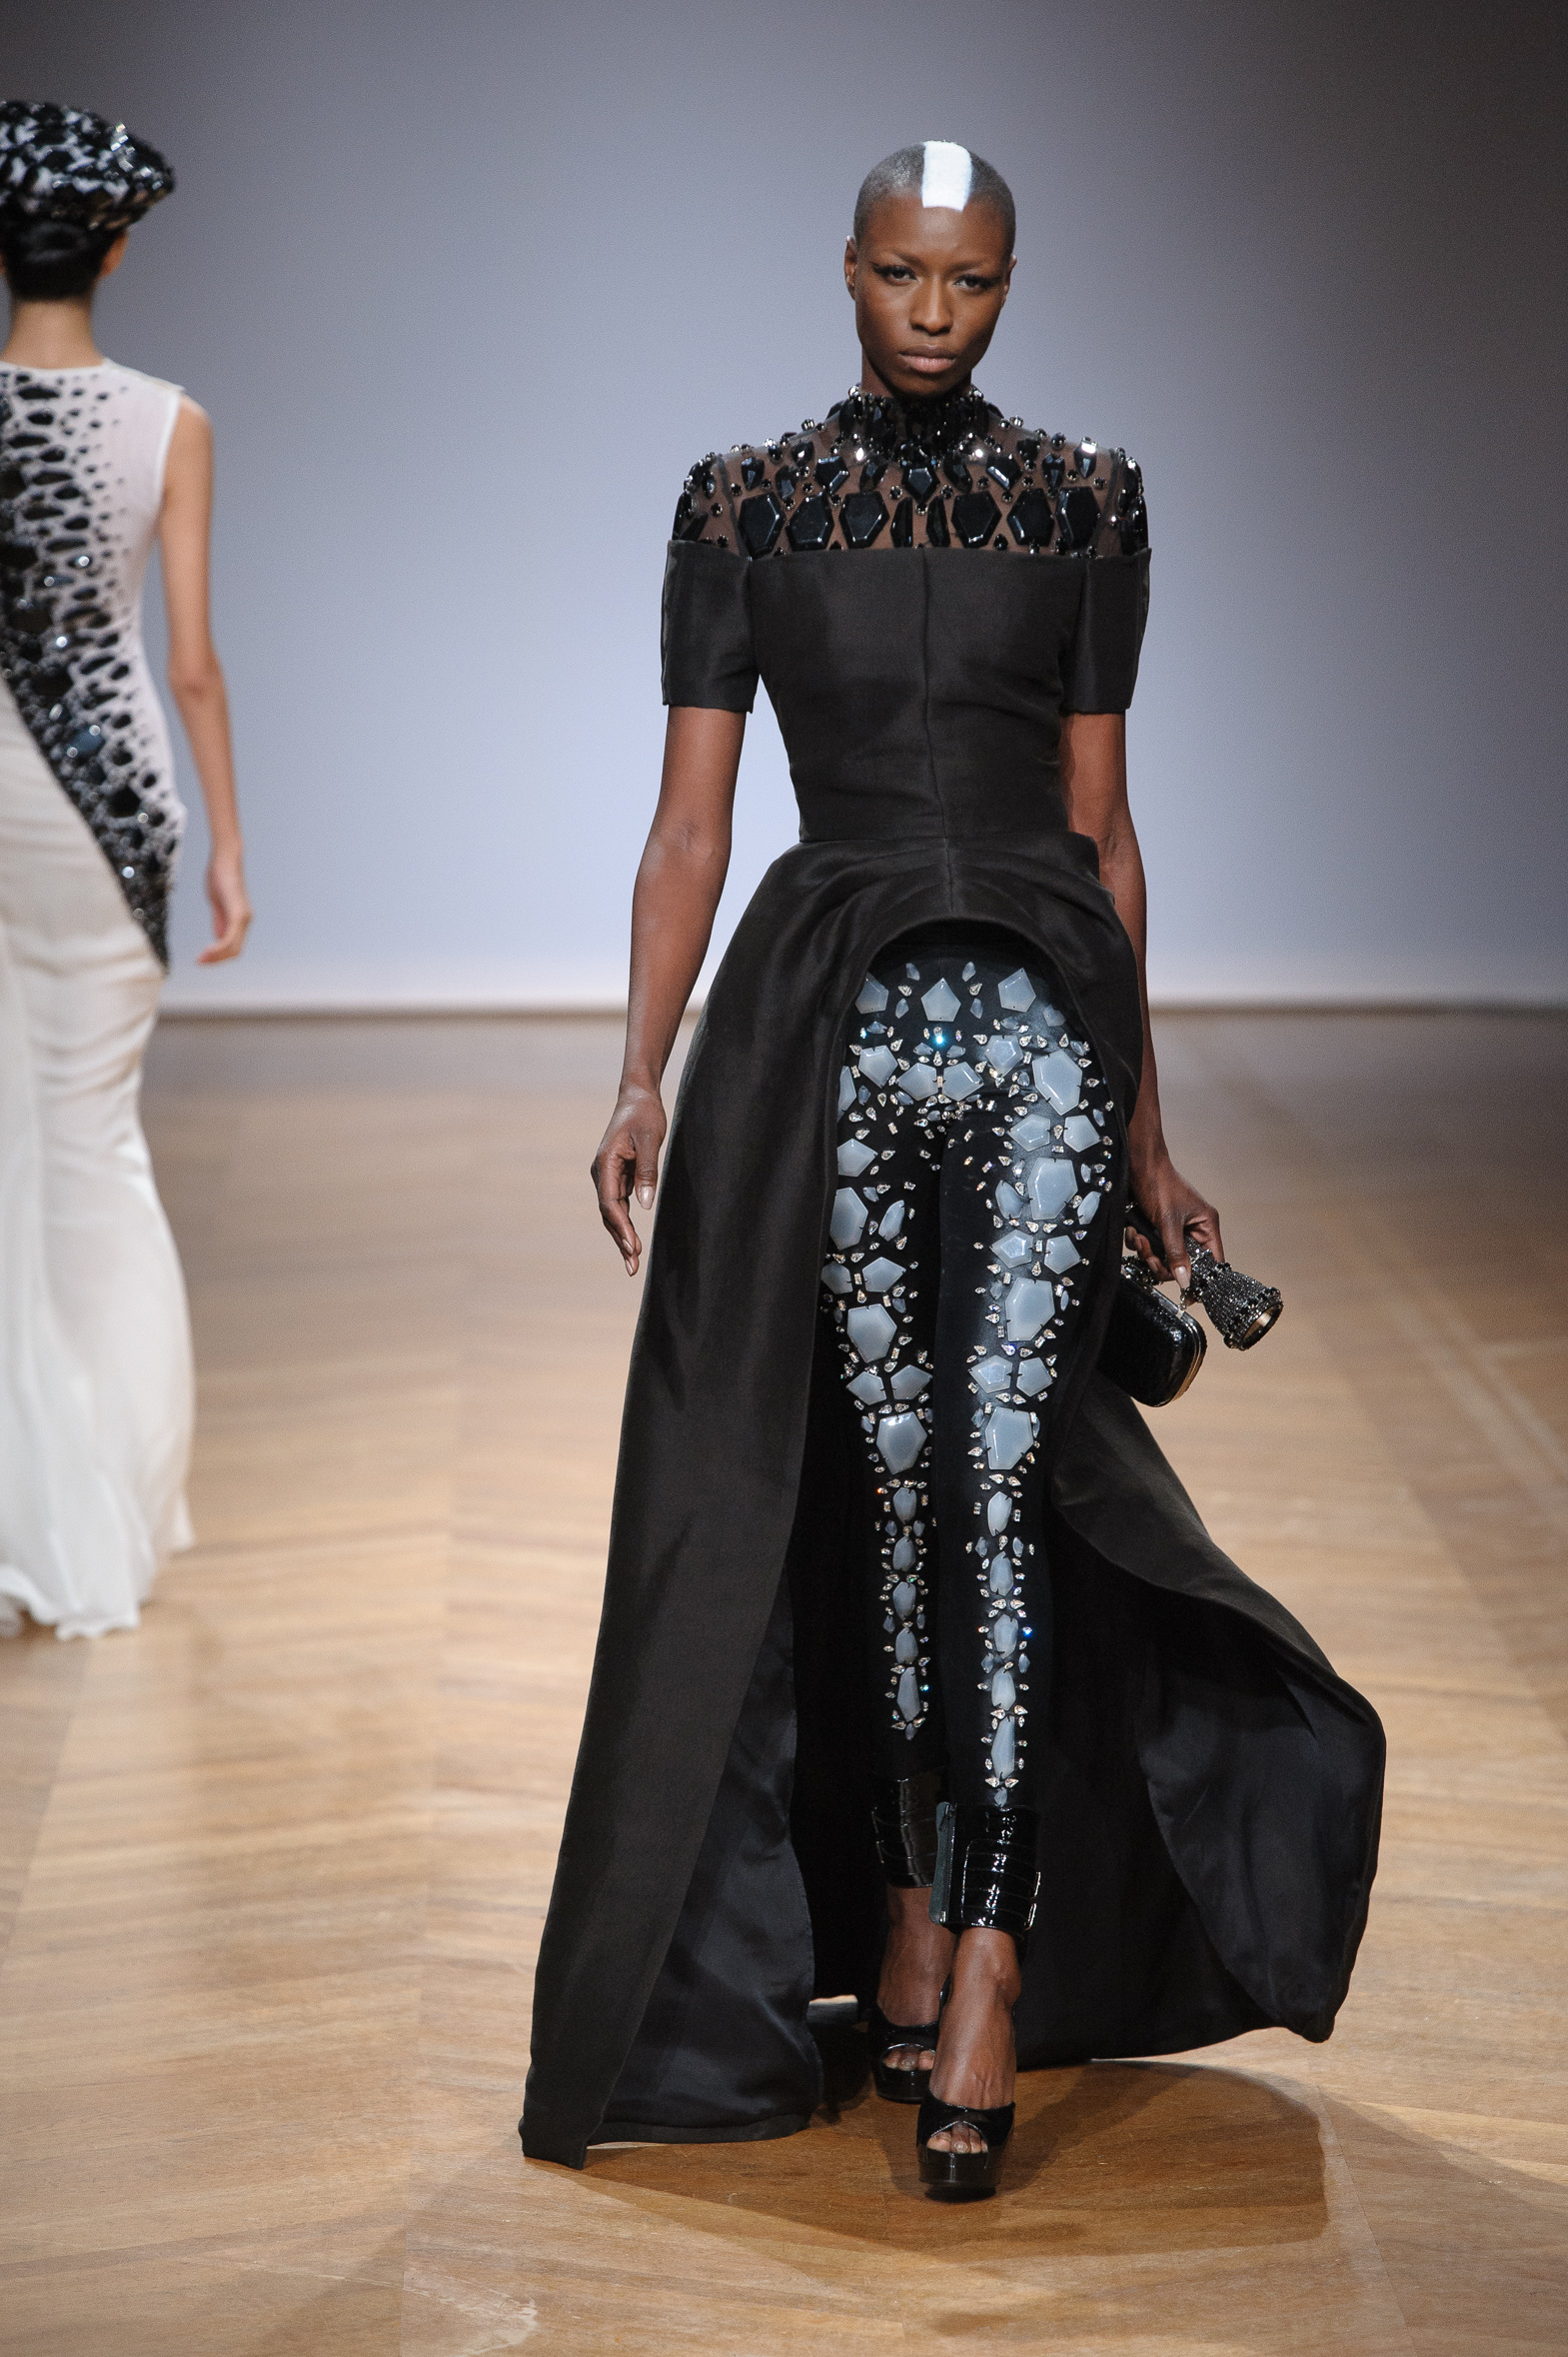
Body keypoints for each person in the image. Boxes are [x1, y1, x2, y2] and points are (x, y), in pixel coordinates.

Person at [522, 142, 1384, 2196]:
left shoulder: (1084, 496)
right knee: (895, 1488)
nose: (934, 312)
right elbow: (687, 825)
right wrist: (637, 1071)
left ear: (1010, 280)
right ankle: (906, 1906)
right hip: (825, 1032)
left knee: (995, 1488)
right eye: (904, 273)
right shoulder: (742, 503)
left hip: (1038, 1034)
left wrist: (1148, 1133)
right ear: (846, 268)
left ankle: (988, 1948)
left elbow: (1101, 825)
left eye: (972, 278)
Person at [0, 102, 251, 1639]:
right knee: (94, 1150)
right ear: (114, 249)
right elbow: (193, 664)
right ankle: (109, 1505)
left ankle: (31, 1499)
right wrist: (230, 844)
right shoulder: (167, 422)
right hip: (109, 800)